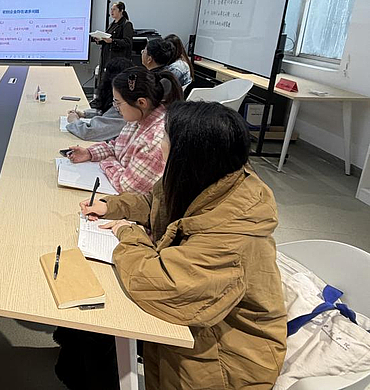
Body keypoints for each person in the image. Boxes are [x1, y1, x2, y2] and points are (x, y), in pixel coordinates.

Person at [77, 101, 286, 389]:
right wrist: (113, 207)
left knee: (99, 320)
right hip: (202, 320)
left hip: (225, 357)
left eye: (165, 138)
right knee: (90, 326)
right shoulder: (208, 176)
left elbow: (162, 285)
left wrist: (128, 233)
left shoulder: (234, 228)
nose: (159, 144)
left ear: (188, 152)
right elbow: (157, 203)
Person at [68, 68, 182, 195]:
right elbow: (116, 147)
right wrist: (89, 153)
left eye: (118, 103)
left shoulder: (157, 138)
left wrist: (107, 161)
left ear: (141, 102)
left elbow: (127, 186)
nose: (116, 108)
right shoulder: (138, 118)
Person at [65, 57, 131, 142]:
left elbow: (89, 132)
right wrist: (85, 114)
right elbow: (108, 115)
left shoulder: (124, 107)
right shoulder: (123, 100)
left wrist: (74, 121)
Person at [91, 1, 134, 110]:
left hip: (117, 59)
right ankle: (102, 102)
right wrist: (100, 40)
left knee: (114, 82)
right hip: (107, 57)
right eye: (111, 9)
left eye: (114, 9)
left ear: (121, 11)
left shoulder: (126, 24)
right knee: (105, 81)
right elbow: (107, 39)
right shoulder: (112, 24)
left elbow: (127, 42)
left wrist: (113, 41)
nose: (112, 11)